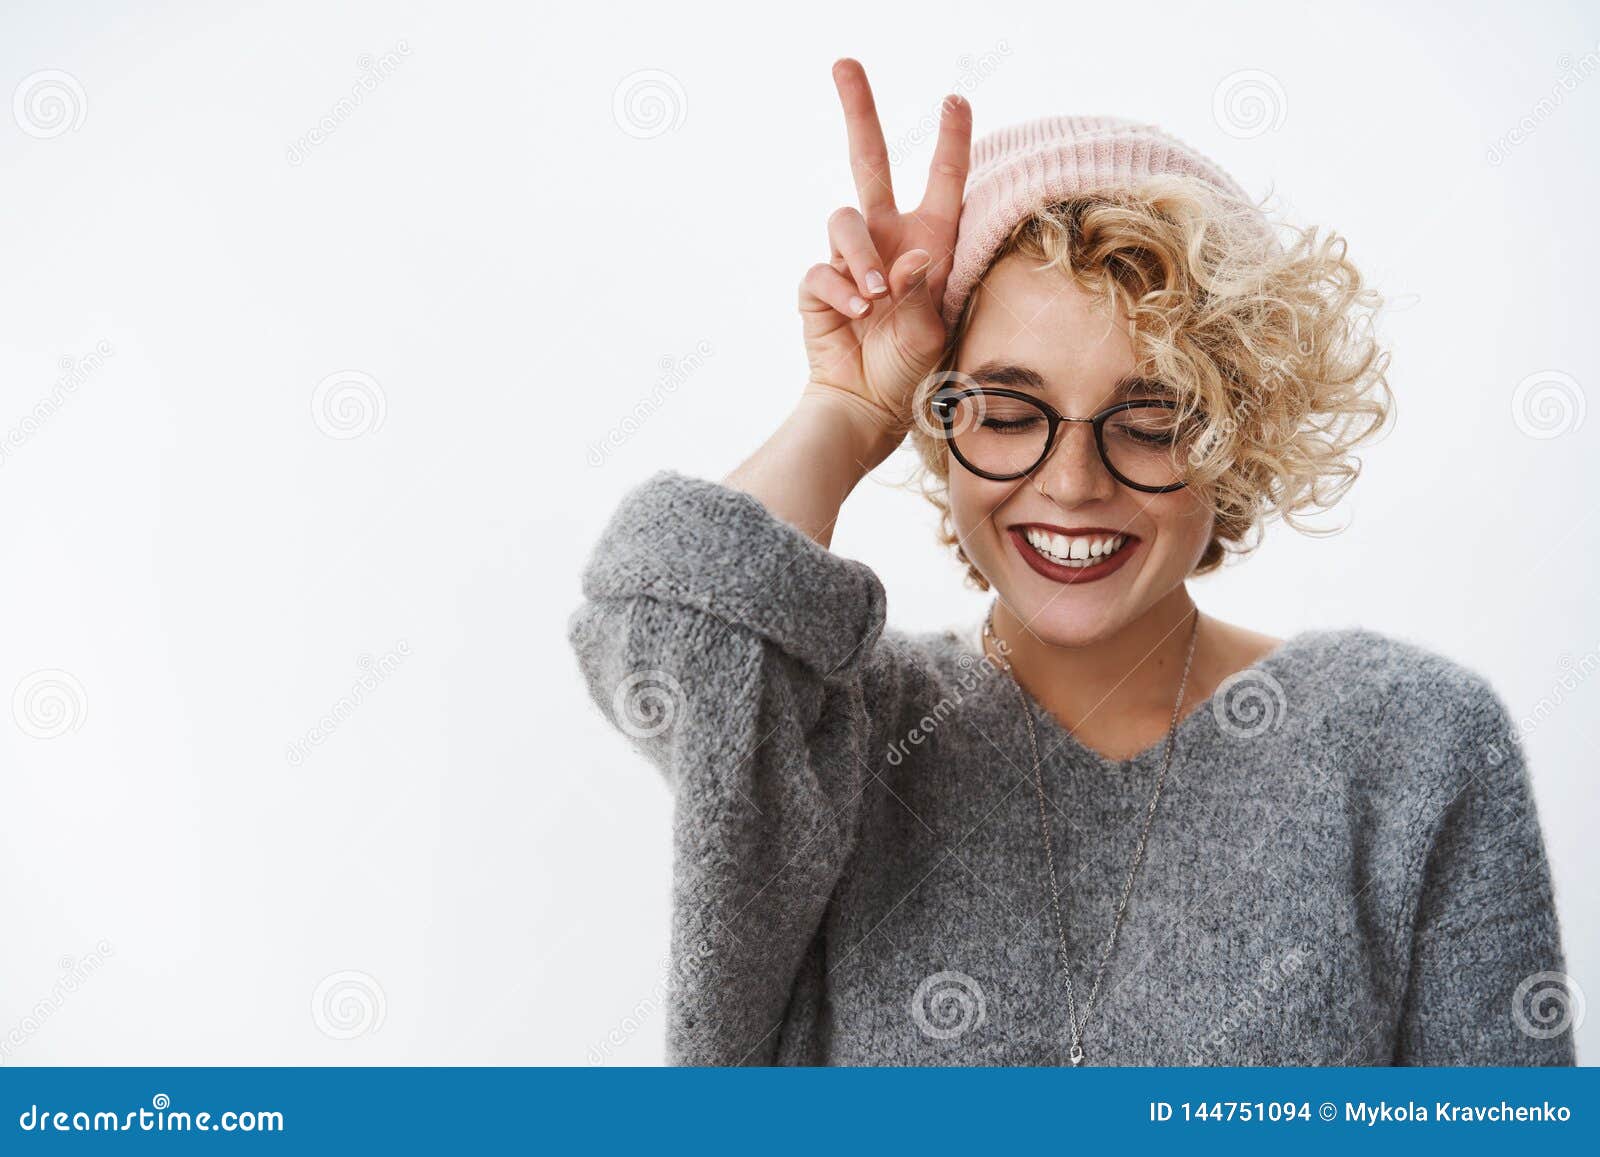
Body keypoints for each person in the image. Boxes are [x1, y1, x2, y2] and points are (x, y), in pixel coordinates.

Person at [567, 59, 1576, 1067]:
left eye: (1147, 420)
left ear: (1233, 437)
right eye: (1009, 413)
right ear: (939, 415)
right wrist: (848, 405)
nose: (1074, 481)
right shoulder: (831, 728)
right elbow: (673, 629)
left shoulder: (1408, 745)